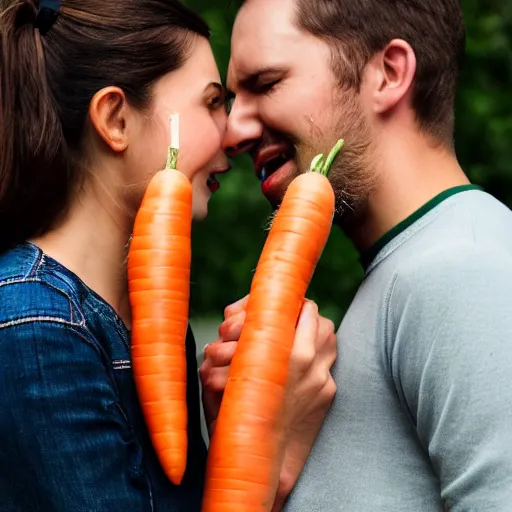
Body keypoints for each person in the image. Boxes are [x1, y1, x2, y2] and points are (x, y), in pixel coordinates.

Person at [0, 0, 336, 510]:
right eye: (211, 103)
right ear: (115, 119)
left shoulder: (150, 317)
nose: (233, 135)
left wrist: (235, 430)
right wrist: (275, 444)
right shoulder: (36, 326)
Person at [210, 0, 512, 510]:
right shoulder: (409, 268)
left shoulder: (464, 271)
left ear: (388, 75)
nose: (231, 131)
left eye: (265, 83)